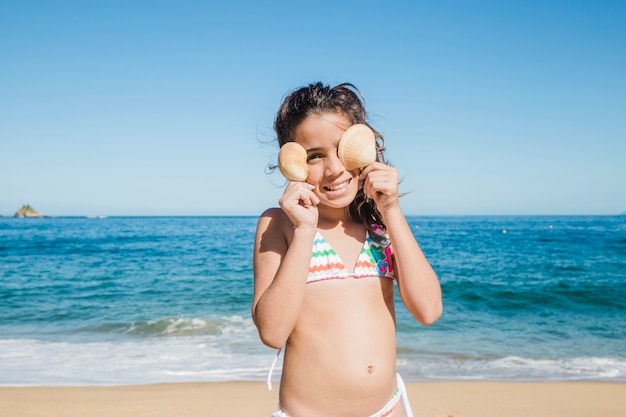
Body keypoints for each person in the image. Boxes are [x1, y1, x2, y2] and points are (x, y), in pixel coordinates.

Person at [252, 82, 442, 417]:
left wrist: (392, 211)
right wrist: (305, 229)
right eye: (314, 156)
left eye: (342, 150)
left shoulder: (380, 225)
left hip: (388, 409)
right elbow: (272, 331)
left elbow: (428, 310)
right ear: (292, 161)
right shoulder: (279, 225)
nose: (335, 169)